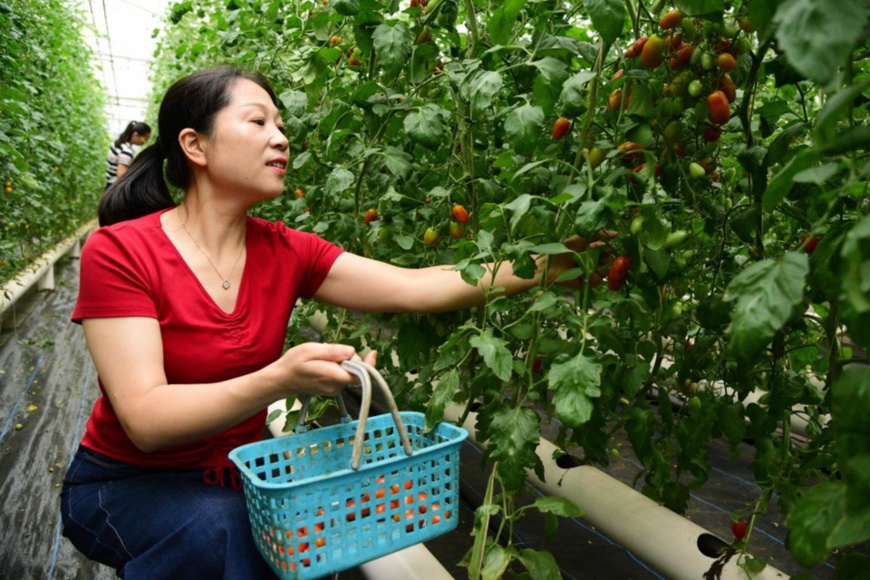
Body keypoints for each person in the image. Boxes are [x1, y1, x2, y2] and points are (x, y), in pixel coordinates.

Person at [61, 66, 588, 578]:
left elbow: (417, 285)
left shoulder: (287, 250)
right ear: (195, 146)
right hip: (127, 484)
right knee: (222, 531)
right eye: (258, 122)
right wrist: (280, 378)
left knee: (334, 514)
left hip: (245, 479)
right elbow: (147, 421)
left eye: (282, 126)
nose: (281, 139)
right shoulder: (120, 251)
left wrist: (556, 263)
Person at [105, 120, 151, 189]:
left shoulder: (117, 144)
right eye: (145, 139)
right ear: (135, 135)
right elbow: (121, 175)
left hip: (110, 185)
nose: (145, 142)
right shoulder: (126, 151)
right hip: (115, 188)